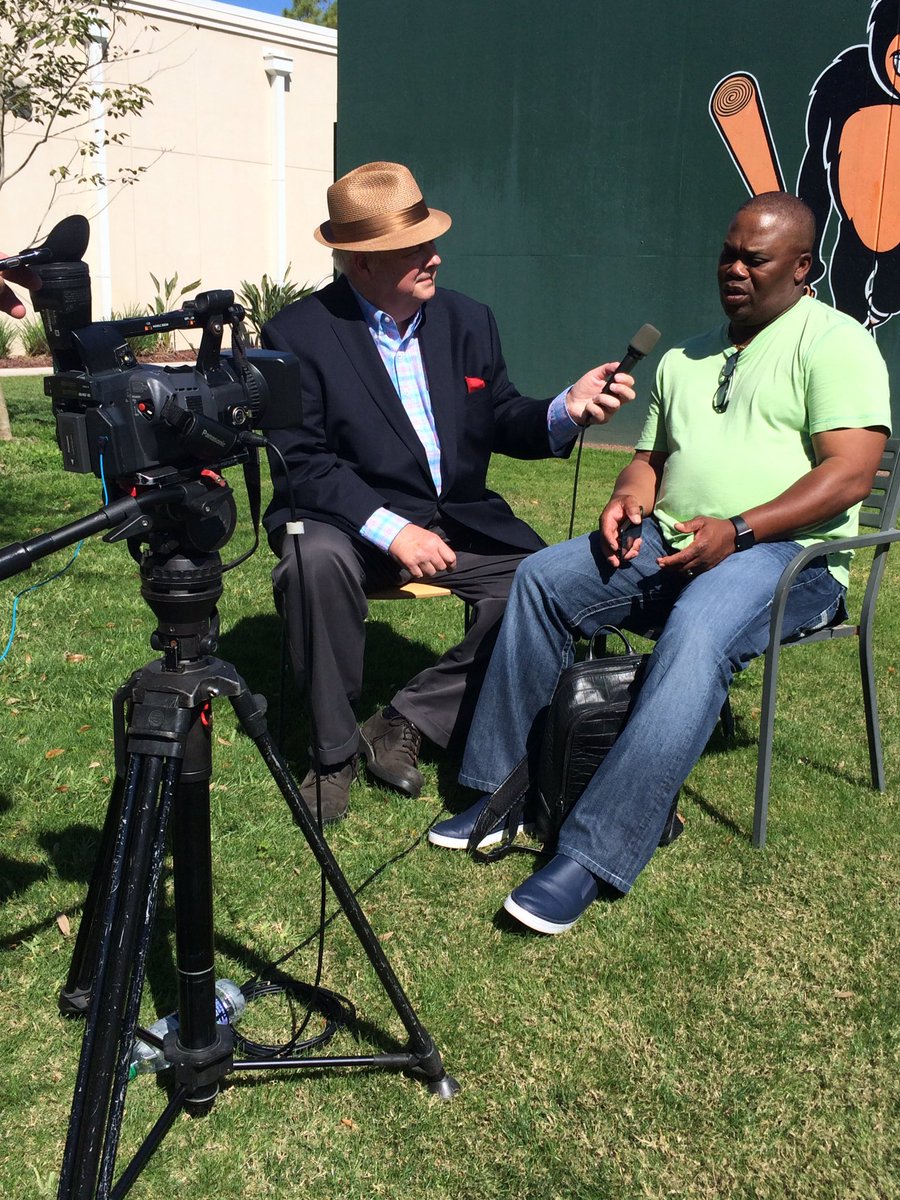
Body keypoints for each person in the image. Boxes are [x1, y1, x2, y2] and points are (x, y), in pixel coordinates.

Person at [429, 191, 892, 934]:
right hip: (672, 542)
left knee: (700, 627)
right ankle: (501, 789)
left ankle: (593, 851)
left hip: (792, 556)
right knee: (543, 579)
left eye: (755, 259)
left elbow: (850, 475)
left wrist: (738, 531)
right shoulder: (684, 357)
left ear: (801, 267)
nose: (733, 269)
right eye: (727, 254)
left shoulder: (837, 345)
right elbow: (649, 459)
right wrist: (627, 497)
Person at [261, 161, 635, 821]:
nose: (435, 257)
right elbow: (302, 462)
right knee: (309, 562)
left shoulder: (467, 321)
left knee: (550, 585)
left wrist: (565, 410)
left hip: (458, 520)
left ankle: (406, 720)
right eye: (414, 249)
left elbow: (502, 416)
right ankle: (332, 753)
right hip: (344, 522)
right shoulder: (297, 334)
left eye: (431, 241)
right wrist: (393, 530)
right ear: (361, 261)